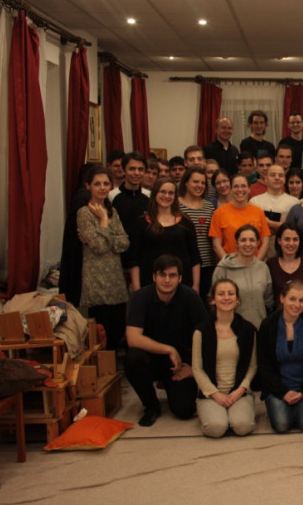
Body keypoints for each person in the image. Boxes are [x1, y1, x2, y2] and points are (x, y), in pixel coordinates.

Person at [125, 255, 208, 426]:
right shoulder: (141, 297)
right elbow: (132, 338)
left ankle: (175, 390)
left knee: (184, 410)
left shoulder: (190, 297)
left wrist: (194, 368)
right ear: (154, 277)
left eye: (172, 275)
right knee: (132, 358)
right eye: (162, 275)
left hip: (179, 364)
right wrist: (169, 349)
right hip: (150, 359)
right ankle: (151, 406)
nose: (167, 280)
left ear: (180, 278)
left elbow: (208, 336)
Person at [192, 279, 257, 437]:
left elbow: (252, 366)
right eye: (221, 294)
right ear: (213, 299)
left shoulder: (248, 329)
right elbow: (197, 369)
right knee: (216, 428)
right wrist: (215, 394)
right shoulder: (201, 331)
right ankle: (214, 413)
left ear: (237, 299)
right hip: (211, 394)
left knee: (242, 426)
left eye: (230, 294)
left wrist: (241, 390)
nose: (226, 297)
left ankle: (236, 412)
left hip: (239, 392)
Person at [257, 280, 303, 433]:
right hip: (277, 388)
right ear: (282, 298)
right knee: (282, 425)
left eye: (301, 300)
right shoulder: (268, 325)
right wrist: (283, 392)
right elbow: (264, 365)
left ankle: (299, 406)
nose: (296, 305)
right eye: (292, 299)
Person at [76, 166, 130, 350]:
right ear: (88, 186)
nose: (102, 188)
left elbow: (124, 243)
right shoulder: (84, 213)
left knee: (118, 329)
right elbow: (99, 247)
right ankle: (103, 366)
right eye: (97, 184)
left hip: (115, 279)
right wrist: (104, 221)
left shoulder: (113, 211)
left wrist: (106, 236)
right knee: (100, 334)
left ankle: (113, 364)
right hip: (96, 280)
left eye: (106, 183)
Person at [127, 178, 201, 290]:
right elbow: (134, 260)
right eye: (162, 192)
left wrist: (196, 285)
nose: (167, 196)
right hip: (149, 284)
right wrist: (137, 289)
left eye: (171, 193)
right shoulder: (141, 223)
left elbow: (195, 257)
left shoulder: (186, 222)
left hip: (183, 284)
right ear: (155, 193)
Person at [212, 224, 273, 329]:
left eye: (252, 240)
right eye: (243, 240)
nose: (247, 244)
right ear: (237, 243)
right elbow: (214, 300)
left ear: (258, 243)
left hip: (259, 328)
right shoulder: (223, 268)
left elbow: (268, 301)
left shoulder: (263, 268)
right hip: (231, 330)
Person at [208, 173, 271, 261]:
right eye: (236, 186)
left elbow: (265, 242)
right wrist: (229, 264)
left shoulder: (258, 212)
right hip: (229, 265)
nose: (240, 189)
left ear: (249, 189)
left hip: (254, 264)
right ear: (230, 189)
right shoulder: (219, 213)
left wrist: (256, 263)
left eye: (243, 186)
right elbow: (216, 245)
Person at [178, 167, 215, 299]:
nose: (199, 185)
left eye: (203, 183)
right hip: (184, 263)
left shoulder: (209, 207)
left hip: (207, 263)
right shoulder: (176, 205)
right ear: (186, 182)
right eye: (195, 182)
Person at [250, 164, 300, 258]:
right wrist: (280, 225)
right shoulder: (255, 201)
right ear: (266, 179)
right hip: (260, 251)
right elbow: (254, 227)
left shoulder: (294, 202)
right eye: (272, 175)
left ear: (284, 179)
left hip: (286, 251)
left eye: (280, 175)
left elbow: (295, 229)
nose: (277, 178)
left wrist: (269, 223)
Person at [265, 222, 303, 306]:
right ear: (279, 241)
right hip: (279, 313)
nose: (291, 243)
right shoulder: (271, 264)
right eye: (287, 239)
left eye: (295, 239)